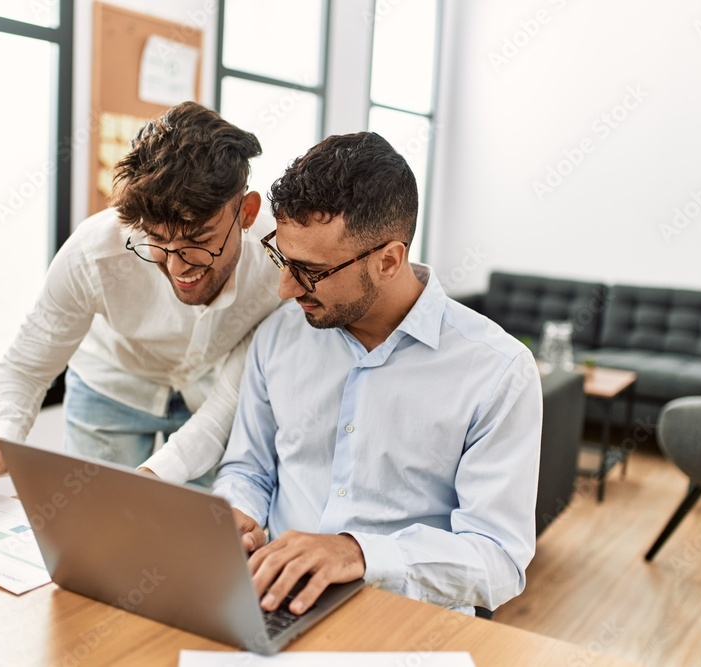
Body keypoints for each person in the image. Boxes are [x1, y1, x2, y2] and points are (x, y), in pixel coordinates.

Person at [211, 132, 543, 617]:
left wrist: (359, 553)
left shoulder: (497, 370)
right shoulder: (280, 336)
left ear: (389, 260)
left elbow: (498, 559)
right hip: (272, 600)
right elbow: (249, 468)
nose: (284, 288)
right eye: (281, 257)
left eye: (310, 270)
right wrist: (237, 512)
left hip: (404, 617)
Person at [0, 102, 284, 500]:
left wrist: (149, 480)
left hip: (211, 391)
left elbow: (224, 408)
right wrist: (0, 447)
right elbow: (27, 367)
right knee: (94, 524)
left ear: (246, 213)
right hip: (110, 384)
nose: (177, 264)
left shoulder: (279, 261)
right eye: (159, 241)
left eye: (199, 241)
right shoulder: (94, 254)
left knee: (198, 533)